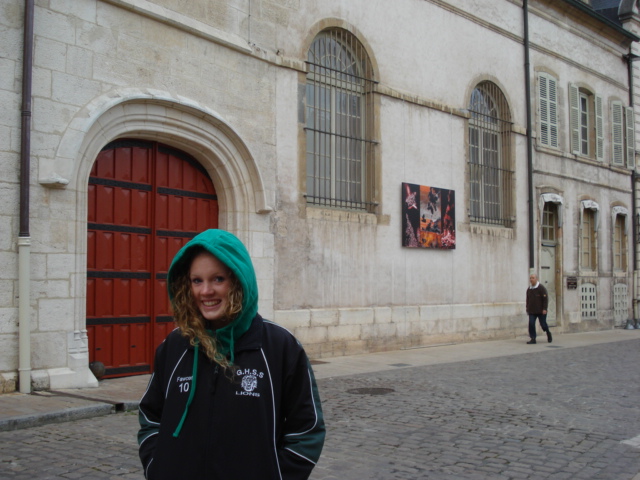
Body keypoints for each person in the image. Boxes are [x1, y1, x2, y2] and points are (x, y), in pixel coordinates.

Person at [137, 229, 325, 479]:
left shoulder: (280, 346)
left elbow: (307, 430)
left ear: (238, 280)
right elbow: (151, 416)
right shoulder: (175, 345)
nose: (205, 291)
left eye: (218, 279)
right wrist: (157, 466)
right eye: (197, 280)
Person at [526, 273, 552, 344]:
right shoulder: (529, 289)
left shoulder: (541, 288)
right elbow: (528, 299)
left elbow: (545, 299)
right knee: (531, 324)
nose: (531, 279)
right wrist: (527, 308)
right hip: (532, 310)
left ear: (536, 279)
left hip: (541, 311)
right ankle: (533, 338)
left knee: (543, 324)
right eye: (530, 278)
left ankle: (548, 332)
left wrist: (544, 309)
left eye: (533, 278)